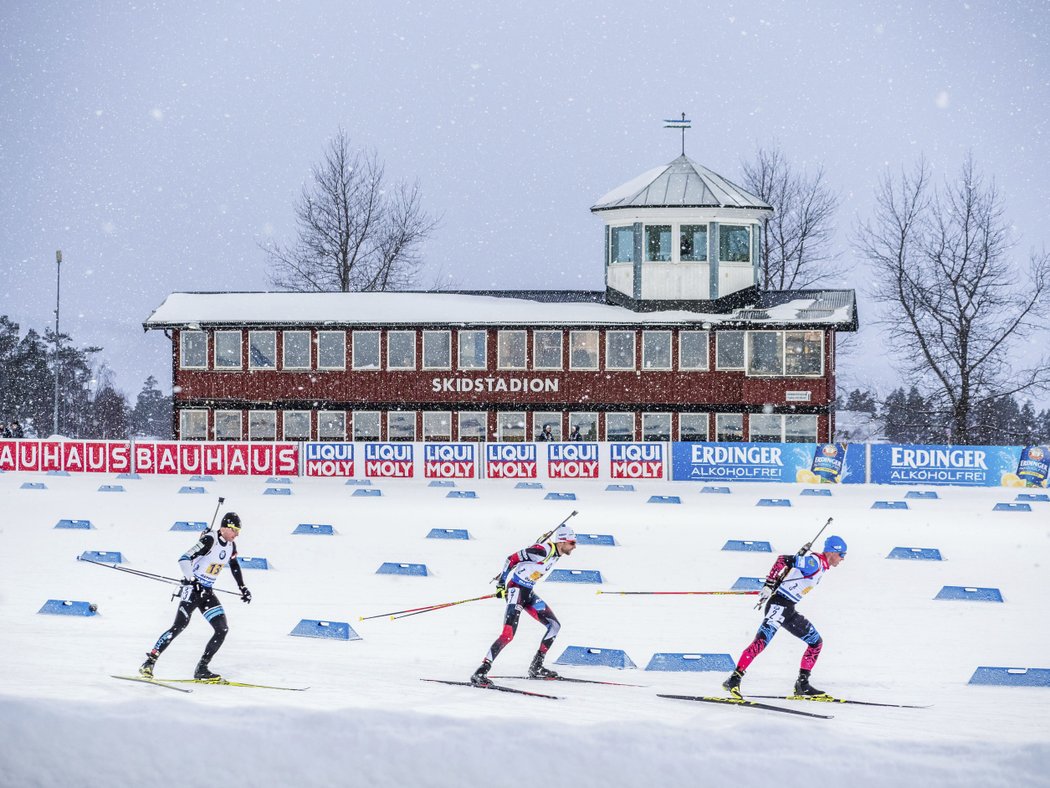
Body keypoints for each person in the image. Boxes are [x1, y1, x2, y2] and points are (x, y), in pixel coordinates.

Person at [722, 535, 847, 699]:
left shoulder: (821, 565)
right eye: (842, 555)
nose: (842, 559)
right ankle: (734, 679)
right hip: (778, 605)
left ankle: (802, 684)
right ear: (832, 552)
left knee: (816, 642)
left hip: (788, 609)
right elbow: (782, 559)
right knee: (760, 642)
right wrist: (768, 584)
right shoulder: (813, 563)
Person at [139, 512, 252, 681]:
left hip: (206, 592)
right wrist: (192, 580)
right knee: (179, 626)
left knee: (222, 629)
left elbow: (234, 566)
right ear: (225, 528)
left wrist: (242, 587)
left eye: (238, 531)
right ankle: (149, 663)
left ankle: (202, 668)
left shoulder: (231, 546)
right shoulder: (209, 540)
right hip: (192, 590)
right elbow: (183, 559)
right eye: (235, 530)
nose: (237, 534)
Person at [470, 524, 578, 686]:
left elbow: (535, 556)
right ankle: (481, 672)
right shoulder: (542, 551)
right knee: (508, 634)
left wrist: (541, 542)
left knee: (554, 625)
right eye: (572, 543)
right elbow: (511, 559)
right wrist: (501, 584)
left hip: (528, 592)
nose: (574, 546)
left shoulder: (556, 551)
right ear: (562, 542)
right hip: (516, 591)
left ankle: (536, 667)